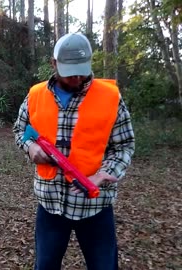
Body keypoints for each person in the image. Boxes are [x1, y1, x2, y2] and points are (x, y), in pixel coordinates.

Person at [13, 32, 135, 270]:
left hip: (94, 206)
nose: (77, 77)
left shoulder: (110, 98)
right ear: (54, 63)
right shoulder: (35, 95)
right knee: (45, 265)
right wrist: (31, 148)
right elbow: (19, 130)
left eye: (82, 69)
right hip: (50, 205)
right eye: (70, 71)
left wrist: (103, 174)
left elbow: (124, 145)